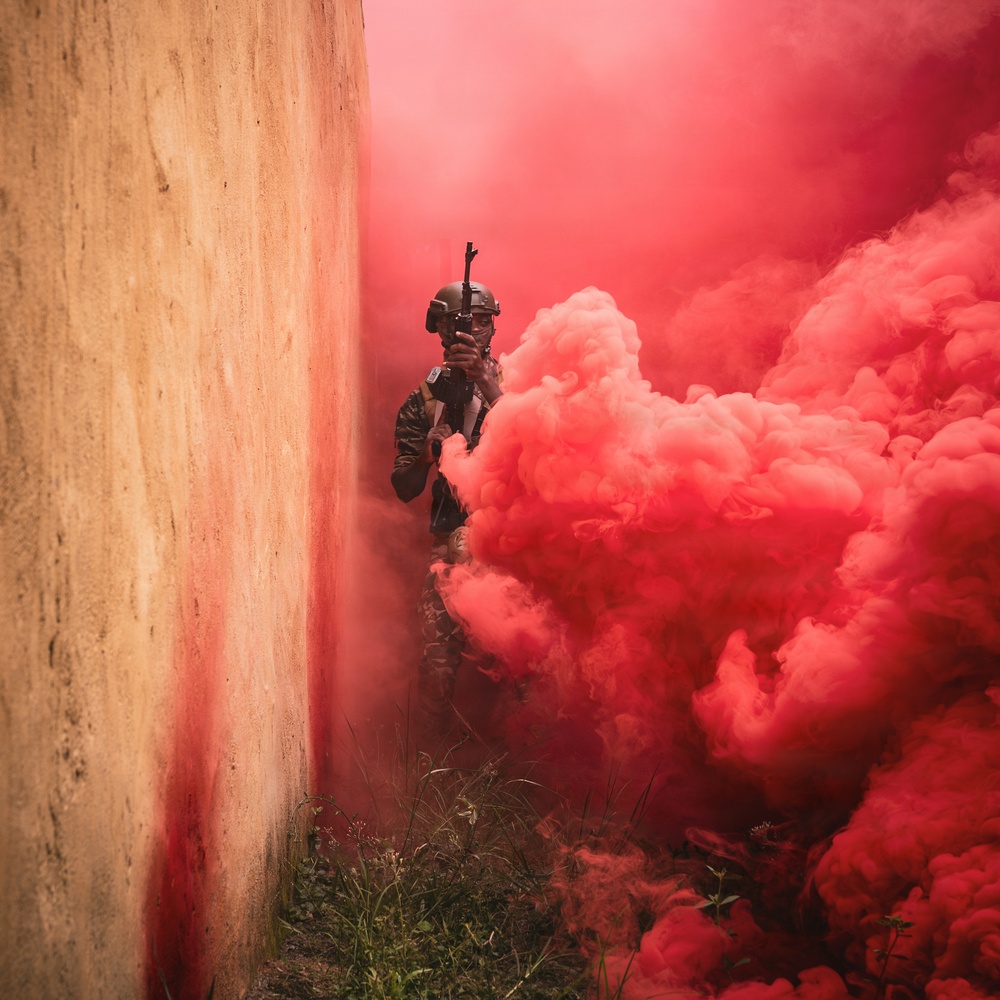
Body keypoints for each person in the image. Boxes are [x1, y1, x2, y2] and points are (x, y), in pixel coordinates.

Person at [391, 278, 503, 734]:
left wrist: (485, 382)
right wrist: (426, 453)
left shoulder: (515, 379)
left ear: (492, 329)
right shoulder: (423, 401)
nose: (469, 332)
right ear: (438, 329)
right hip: (449, 545)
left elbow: (537, 440)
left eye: (480, 323)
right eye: (456, 323)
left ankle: (523, 768)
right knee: (436, 663)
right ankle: (428, 769)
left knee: (523, 657)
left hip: (508, 542)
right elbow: (403, 486)